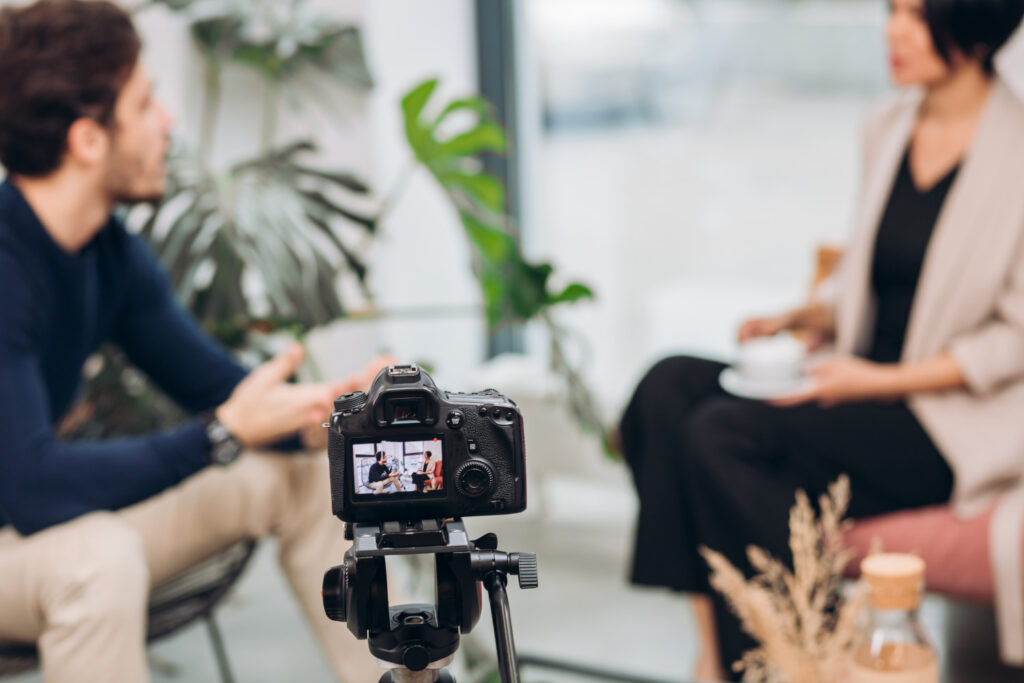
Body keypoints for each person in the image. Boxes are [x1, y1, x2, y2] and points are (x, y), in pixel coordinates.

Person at [619, 0, 1024, 679]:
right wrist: (798, 317)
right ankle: (720, 652)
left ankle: (809, 652)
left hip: (946, 420)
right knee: (666, 387)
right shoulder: (887, 125)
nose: (894, 30)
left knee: (720, 433)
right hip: (858, 384)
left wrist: (875, 379)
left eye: (919, 16)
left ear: (976, 31)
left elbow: (1014, 337)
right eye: (892, 10)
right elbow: (875, 278)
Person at [0, 2, 388, 681]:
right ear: (89, 139)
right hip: (24, 538)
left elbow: (222, 391)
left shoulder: (109, 253)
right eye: (146, 103)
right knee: (98, 557)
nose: (167, 121)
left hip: (39, 532)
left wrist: (328, 410)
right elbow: (30, 484)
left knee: (304, 477)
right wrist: (220, 434)